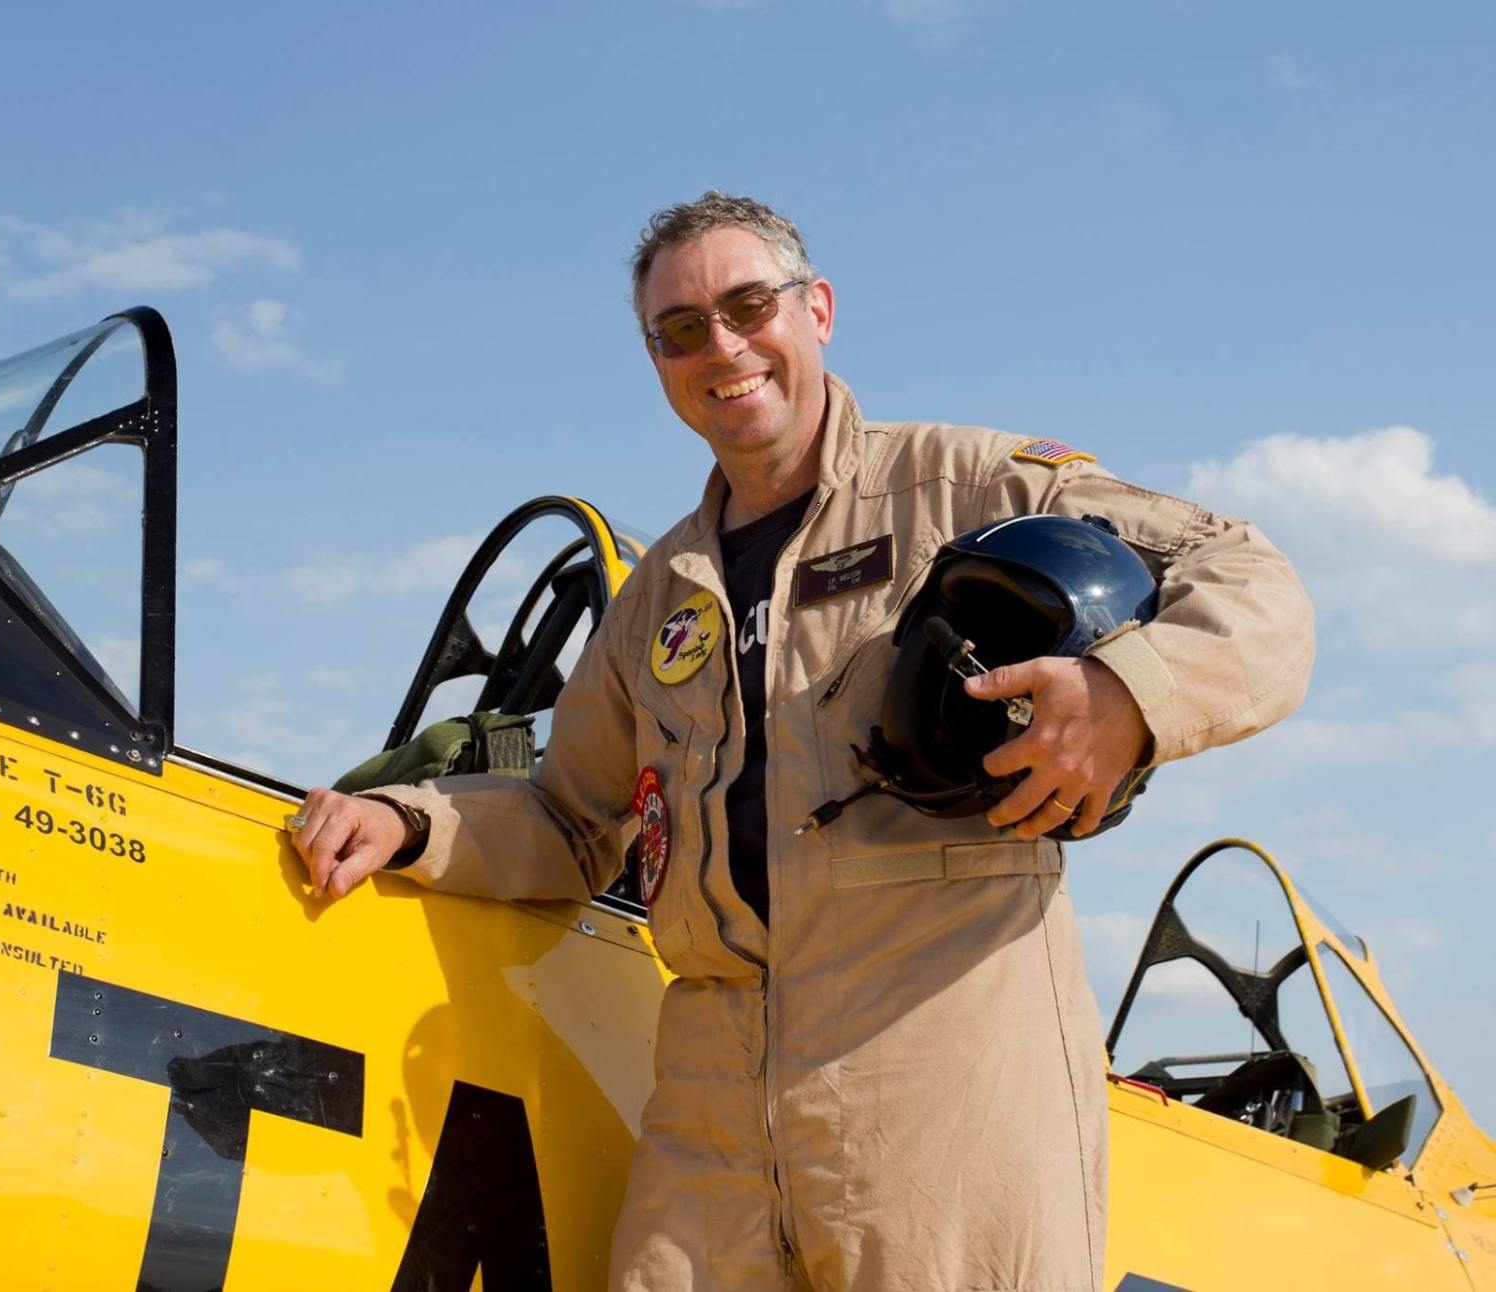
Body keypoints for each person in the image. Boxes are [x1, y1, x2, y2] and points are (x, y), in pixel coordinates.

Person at [288, 192, 1313, 1292]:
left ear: (815, 309)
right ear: (657, 360)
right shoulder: (656, 601)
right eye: (680, 329)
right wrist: (408, 819)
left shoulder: (967, 487)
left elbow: (1251, 578)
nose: (721, 347)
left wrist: (1126, 690)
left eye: (747, 305)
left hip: (941, 1068)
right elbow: (566, 818)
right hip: (710, 1096)